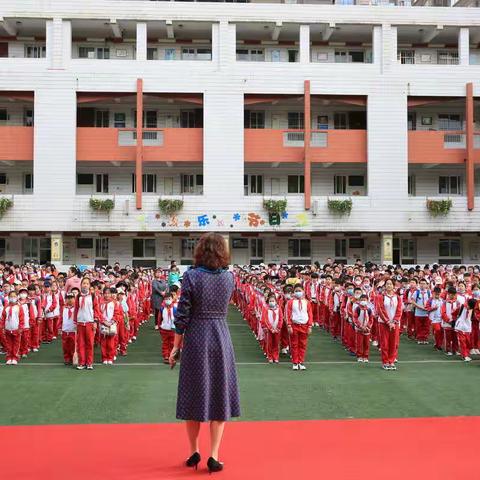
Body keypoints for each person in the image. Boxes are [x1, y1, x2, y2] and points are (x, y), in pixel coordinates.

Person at [169, 233, 240, 474]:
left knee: (193, 394)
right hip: (220, 336)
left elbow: (182, 316)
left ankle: (193, 452)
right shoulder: (229, 278)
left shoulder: (191, 276)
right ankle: (215, 455)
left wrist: (176, 346)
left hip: (197, 337)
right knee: (219, 395)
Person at [285, 284, 313, 371]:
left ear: (303, 291)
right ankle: (295, 362)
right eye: (296, 291)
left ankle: (301, 361)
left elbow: (310, 314)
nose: (298, 292)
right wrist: (289, 325)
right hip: (294, 325)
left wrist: (310, 326)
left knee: (303, 344)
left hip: (304, 325)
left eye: (300, 291)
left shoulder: (307, 302)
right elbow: (288, 314)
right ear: (293, 292)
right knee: (294, 344)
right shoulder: (290, 302)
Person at [159, 292, 177, 364]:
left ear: (172, 299)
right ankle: (166, 356)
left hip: (173, 329)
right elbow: (159, 319)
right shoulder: (162, 309)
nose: (167, 300)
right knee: (165, 343)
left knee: (172, 343)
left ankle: (171, 356)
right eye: (166, 299)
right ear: (164, 300)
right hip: (164, 329)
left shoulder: (175, 309)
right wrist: (160, 327)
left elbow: (178, 319)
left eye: (169, 299)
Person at [60, 293, 76, 365]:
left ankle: (73, 358)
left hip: (73, 330)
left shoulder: (76, 308)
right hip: (65, 330)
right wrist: (59, 327)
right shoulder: (64, 308)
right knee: (65, 346)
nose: (69, 300)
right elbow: (61, 318)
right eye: (68, 298)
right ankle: (67, 358)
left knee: (73, 345)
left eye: (71, 298)